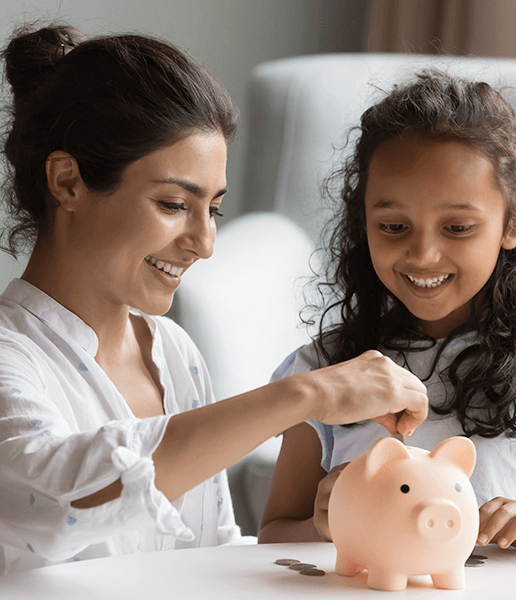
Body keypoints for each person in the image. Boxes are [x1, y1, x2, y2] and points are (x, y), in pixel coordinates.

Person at [0, 24, 430, 575]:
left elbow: (210, 556)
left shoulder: (173, 352)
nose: (204, 244)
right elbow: (61, 499)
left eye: (214, 210)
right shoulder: (13, 358)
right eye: (175, 203)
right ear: (67, 183)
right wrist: (305, 395)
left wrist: (337, 523)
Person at [258, 71, 516, 557]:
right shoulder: (327, 370)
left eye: (457, 227)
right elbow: (271, 533)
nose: (422, 255)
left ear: (515, 222)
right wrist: (328, 522)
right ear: (363, 222)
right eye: (394, 226)